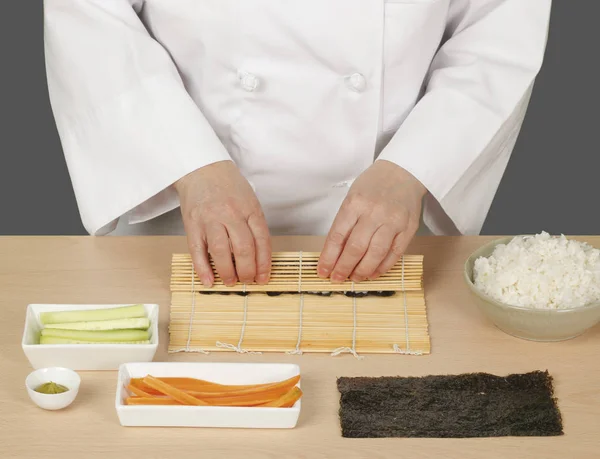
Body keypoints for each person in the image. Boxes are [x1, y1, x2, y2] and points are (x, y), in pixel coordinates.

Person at [43, 0, 552, 287]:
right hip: (177, 230)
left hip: (382, 233)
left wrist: (412, 167)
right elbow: (89, 17)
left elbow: (497, 36)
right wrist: (190, 163)